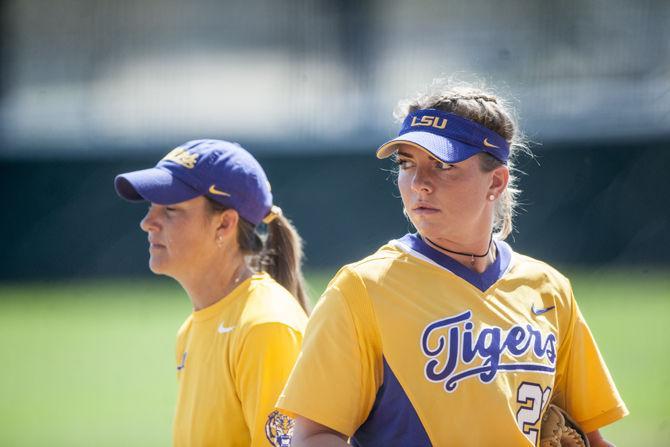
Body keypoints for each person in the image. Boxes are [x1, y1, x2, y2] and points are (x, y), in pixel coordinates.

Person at [277, 80, 628, 446]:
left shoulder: (548, 289)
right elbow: (313, 436)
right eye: (406, 163)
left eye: (443, 165)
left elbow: (591, 438)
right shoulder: (362, 289)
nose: (419, 183)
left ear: (496, 181)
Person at [114, 139, 308, 447]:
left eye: (171, 209)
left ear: (225, 224)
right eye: (152, 208)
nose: (147, 222)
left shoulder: (265, 327)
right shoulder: (191, 330)